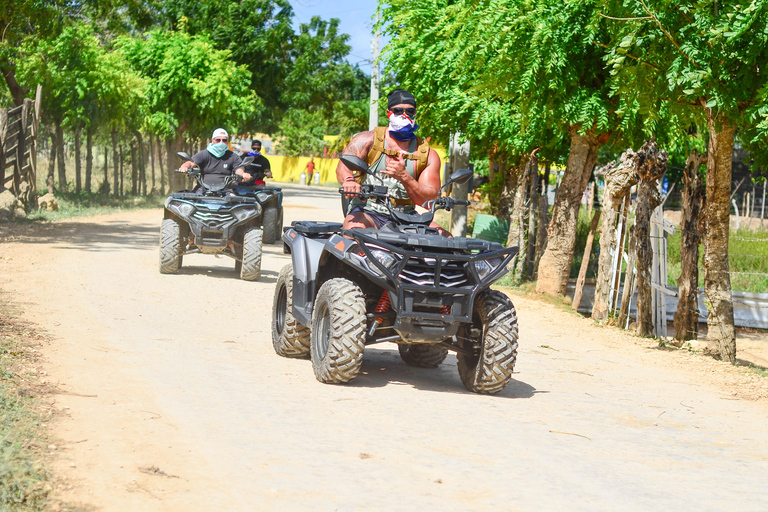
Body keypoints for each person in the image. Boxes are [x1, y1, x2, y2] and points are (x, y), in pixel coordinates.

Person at [336, 88, 444, 232]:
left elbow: (428, 202)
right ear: (389, 113)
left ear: (415, 114)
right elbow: (343, 167)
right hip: (368, 211)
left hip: (407, 216)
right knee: (354, 230)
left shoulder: (427, 154)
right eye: (398, 111)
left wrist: (404, 177)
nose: (404, 115)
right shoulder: (367, 140)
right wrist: (349, 180)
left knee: (445, 237)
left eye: (410, 111)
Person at [179, 128, 250, 187]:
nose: (221, 142)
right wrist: (184, 167)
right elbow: (191, 163)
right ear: (212, 140)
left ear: (227, 141)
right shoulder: (204, 154)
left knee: (236, 202)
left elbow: (239, 169)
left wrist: (243, 175)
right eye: (218, 140)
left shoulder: (233, 156)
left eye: (224, 140)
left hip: (225, 191)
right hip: (203, 189)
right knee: (189, 202)